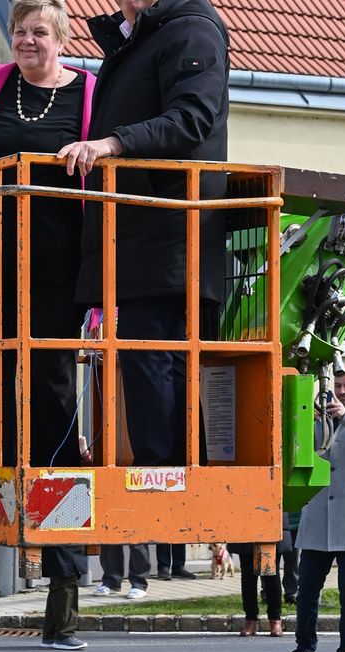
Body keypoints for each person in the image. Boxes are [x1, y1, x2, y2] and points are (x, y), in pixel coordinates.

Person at [0, 0, 96, 651]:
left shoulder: (88, 94)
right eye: (20, 32)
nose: (28, 41)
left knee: (56, 400)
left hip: (57, 274)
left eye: (40, 32)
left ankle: (63, 593)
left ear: (62, 40)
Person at [65, 0, 230, 472]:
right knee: (147, 363)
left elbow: (192, 118)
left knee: (160, 364)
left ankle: (171, 484)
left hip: (171, 236)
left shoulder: (191, 31)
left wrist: (113, 143)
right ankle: (165, 480)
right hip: (141, 236)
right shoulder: (139, 37)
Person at [284, 365, 345, 652]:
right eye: (337, 386)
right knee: (306, 591)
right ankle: (304, 647)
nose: (341, 391)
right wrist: (307, 421)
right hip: (318, 516)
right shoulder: (321, 416)